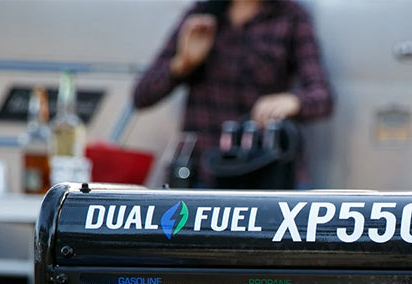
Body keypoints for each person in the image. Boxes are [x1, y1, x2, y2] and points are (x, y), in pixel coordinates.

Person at [132, 0, 334, 188]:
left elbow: (322, 97)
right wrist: (183, 64)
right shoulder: (201, 15)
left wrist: (293, 101)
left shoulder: (290, 16)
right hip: (203, 172)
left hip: (264, 171)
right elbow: (142, 95)